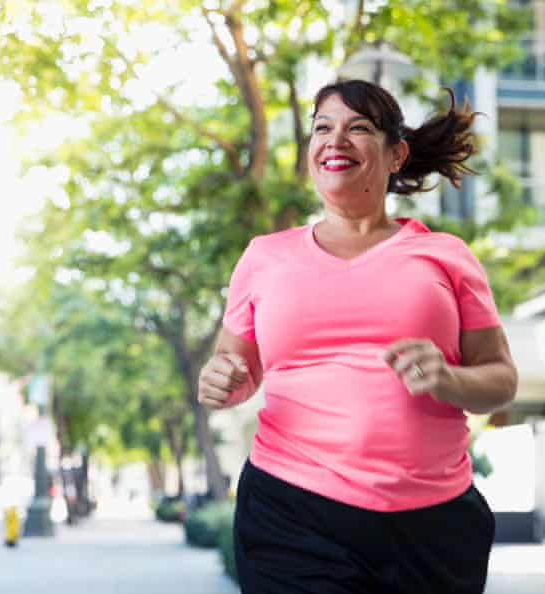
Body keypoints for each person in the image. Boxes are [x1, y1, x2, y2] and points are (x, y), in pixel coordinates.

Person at [197, 79, 518, 594]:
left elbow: (501, 378)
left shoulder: (445, 254)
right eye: (322, 128)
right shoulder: (264, 257)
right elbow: (234, 367)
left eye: (358, 128)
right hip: (293, 509)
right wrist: (222, 381)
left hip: (433, 523)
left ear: (396, 155)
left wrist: (451, 380)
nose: (335, 139)